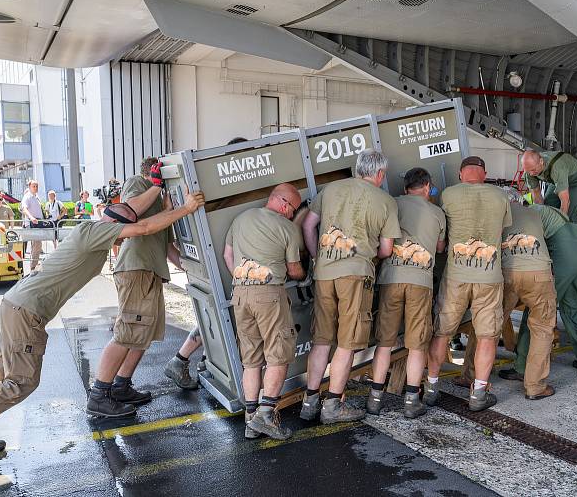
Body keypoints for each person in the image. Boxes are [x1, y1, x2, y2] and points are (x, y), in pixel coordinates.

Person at [0, 175, 205, 461]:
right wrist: (184, 208)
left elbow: (138, 215)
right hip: (28, 310)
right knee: (20, 382)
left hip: (19, 304)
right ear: (114, 223)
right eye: (124, 230)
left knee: (4, 378)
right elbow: (144, 226)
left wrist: (163, 202)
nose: (126, 236)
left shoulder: (93, 231)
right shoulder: (95, 231)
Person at [300, 149, 401, 424]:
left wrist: (317, 256)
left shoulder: (331, 190)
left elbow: (309, 225)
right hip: (356, 275)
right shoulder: (386, 201)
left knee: (321, 339)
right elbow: (386, 249)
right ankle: (332, 406)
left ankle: (309, 402)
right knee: (347, 341)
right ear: (380, 174)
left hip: (323, 273)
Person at [86, 158, 191, 416]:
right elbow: (130, 212)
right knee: (128, 330)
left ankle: (121, 385)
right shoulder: (139, 183)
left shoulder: (161, 200)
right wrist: (156, 189)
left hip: (150, 271)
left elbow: (167, 248)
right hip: (136, 269)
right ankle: (99, 394)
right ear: (152, 172)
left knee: (143, 334)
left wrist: (193, 268)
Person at [425, 156, 511, 412]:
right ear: (484, 174)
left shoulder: (449, 195)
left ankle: (430, 387)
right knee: (487, 336)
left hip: (456, 276)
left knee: (442, 332)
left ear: (461, 174)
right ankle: (479, 393)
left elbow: (443, 231)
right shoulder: (500, 196)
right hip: (489, 278)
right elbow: (503, 233)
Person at [163, 136, 249, 389]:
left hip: (215, 261)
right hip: (226, 263)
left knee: (215, 318)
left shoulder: (214, 183)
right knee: (223, 318)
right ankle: (183, 360)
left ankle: (197, 360)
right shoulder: (228, 187)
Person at [456, 188, 557, 400]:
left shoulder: (496, 213)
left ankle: (470, 375)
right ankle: (535, 387)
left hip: (506, 272)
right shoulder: (535, 213)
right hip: (539, 274)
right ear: (519, 200)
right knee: (542, 329)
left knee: (486, 324)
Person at [223, 184, 305, 440]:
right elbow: (294, 271)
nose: (292, 214)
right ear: (283, 204)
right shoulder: (287, 228)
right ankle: (267, 415)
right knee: (279, 354)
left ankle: (251, 419)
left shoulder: (241, 218)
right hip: (269, 294)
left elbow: (228, 255)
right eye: (293, 209)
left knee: (251, 359)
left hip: (240, 293)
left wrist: (242, 280)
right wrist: (305, 274)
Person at [367, 168, 446, 419]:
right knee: (417, 344)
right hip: (421, 283)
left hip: (390, 279)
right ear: (427, 187)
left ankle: (375, 398)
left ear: (405, 188)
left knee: (384, 342)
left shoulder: (392, 204)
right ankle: (412, 400)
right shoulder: (437, 213)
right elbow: (440, 247)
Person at [499, 204, 577, 379]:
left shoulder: (527, 215)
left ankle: (522, 366)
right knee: (573, 310)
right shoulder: (544, 209)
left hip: (563, 257)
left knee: (536, 308)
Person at [522, 149, 577, 224]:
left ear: (541, 161)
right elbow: (537, 198)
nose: (531, 174)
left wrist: (558, 225)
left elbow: (565, 201)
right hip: (556, 180)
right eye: (528, 171)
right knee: (549, 206)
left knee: (570, 215)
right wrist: (540, 221)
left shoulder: (557, 168)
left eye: (533, 170)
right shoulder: (529, 170)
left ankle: (571, 232)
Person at [21, 180, 45, 272]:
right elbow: (24, 208)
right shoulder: (27, 197)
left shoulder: (36, 197)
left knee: (36, 245)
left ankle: (34, 263)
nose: (35, 188)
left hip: (38, 222)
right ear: (29, 187)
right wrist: (31, 217)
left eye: (36, 186)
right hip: (32, 223)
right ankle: (33, 266)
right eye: (33, 186)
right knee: (37, 244)